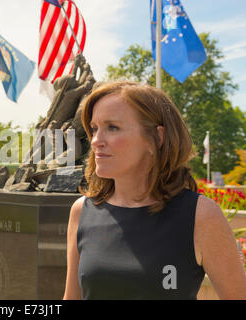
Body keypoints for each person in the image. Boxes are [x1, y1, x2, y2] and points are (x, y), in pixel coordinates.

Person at [63, 81, 246, 300]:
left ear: (157, 138)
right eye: (94, 129)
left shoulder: (201, 216)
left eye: (112, 127)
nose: (96, 141)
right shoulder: (81, 211)